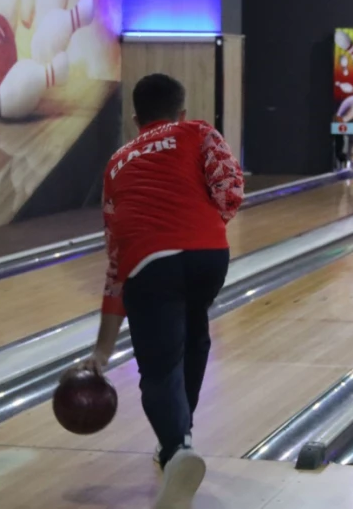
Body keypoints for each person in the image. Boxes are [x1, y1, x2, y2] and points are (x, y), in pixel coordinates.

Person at [67, 73, 244, 508]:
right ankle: (180, 436)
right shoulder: (199, 130)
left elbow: (116, 260)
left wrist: (103, 350)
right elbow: (232, 189)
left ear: (134, 118)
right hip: (209, 257)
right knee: (194, 334)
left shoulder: (117, 162)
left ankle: (177, 447)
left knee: (160, 366)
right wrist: (202, 222)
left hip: (148, 262)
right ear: (180, 112)